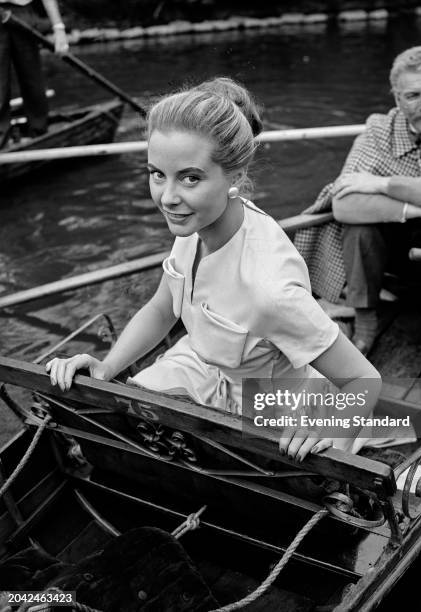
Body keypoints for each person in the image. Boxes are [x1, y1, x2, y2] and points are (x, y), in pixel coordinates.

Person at [46, 77, 381, 461]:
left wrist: (330, 431)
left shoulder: (269, 289)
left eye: (190, 177)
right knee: (124, 418)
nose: (168, 198)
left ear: (235, 176)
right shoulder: (195, 220)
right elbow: (161, 307)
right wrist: (106, 368)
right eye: (157, 174)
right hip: (202, 371)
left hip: (265, 411)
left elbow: (365, 381)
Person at [295, 46, 421, 389]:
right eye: (413, 96)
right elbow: (344, 206)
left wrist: (383, 184)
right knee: (358, 227)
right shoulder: (378, 132)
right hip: (394, 267)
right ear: (397, 98)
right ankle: (366, 323)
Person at [0, 0, 69, 148]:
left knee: (32, 79)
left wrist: (58, 28)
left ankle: (39, 132)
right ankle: (1, 142)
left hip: (22, 12)